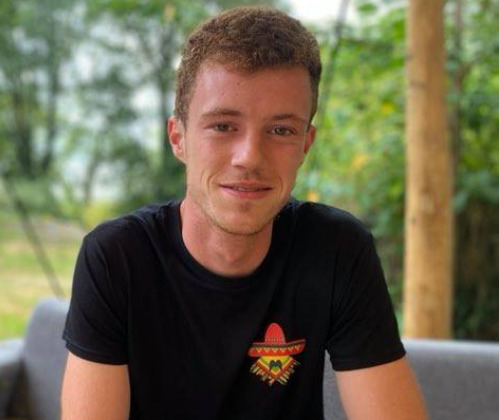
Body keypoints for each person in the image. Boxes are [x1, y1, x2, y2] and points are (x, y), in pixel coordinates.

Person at [60, 6, 427, 420]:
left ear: (305, 145)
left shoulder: (337, 251)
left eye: (281, 130)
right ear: (178, 138)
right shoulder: (117, 258)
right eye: (223, 126)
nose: (249, 156)